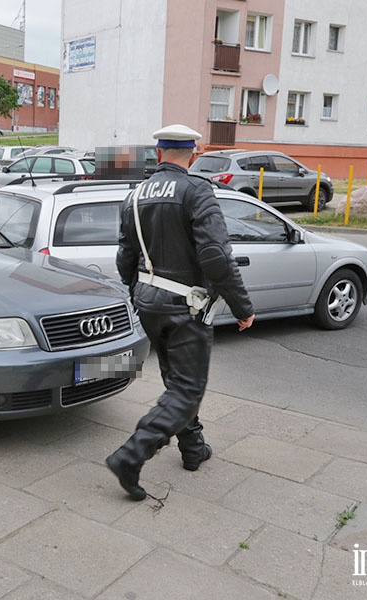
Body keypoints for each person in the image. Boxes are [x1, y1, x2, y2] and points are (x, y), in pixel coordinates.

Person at [106, 124, 255, 501]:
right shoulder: (196, 190)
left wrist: (136, 291)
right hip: (185, 306)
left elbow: (125, 255)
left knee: (177, 383)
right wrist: (242, 307)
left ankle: (193, 449)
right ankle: (132, 454)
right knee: (188, 390)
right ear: (193, 154)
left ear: (158, 154)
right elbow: (216, 256)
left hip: (148, 302)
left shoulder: (134, 195)